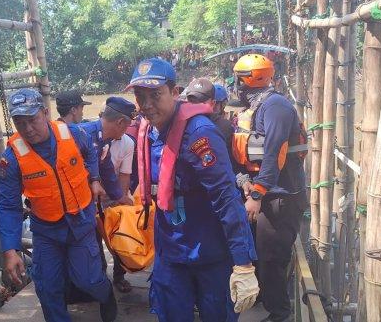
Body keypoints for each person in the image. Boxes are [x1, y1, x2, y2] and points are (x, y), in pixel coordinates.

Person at [127, 57, 259, 321]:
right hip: (171, 251)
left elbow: (225, 197)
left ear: (175, 93)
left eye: (156, 95)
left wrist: (243, 262)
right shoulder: (147, 132)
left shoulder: (200, 134)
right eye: (141, 97)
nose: (148, 105)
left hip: (208, 251)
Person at [0, 88, 118, 322]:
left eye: (32, 120)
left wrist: (94, 179)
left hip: (81, 222)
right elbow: (7, 205)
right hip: (46, 231)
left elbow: (91, 155)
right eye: (20, 123)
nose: (28, 129)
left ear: (45, 112)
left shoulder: (74, 134)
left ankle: (106, 294)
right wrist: (9, 250)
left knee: (89, 280)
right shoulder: (11, 158)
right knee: (47, 286)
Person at [231, 54, 308, 322]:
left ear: (249, 81)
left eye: (238, 80)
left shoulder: (276, 107)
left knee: (271, 257)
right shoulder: (256, 108)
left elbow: (274, 155)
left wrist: (256, 194)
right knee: (259, 251)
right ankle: (266, 297)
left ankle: (280, 312)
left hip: (280, 198)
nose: (235, 86)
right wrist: (245, 183)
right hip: (266, 193)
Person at [78, 97, 138, 293]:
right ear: (120, 123)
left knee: (119, 236)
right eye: (127, 126)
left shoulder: (105, 141)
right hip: (84, 202)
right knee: (93, 244)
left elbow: (110, 172)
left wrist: (120, 199)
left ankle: (115, 278)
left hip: (107, 197)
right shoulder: (85, 136)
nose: (126, 130)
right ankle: (100, 282)